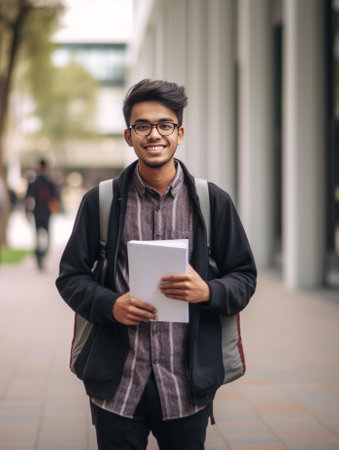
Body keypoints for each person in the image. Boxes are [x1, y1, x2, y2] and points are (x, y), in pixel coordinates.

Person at [56, 79, 257, 450]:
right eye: (142, 126)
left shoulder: (213, 201)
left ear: (180, 134)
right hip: (118, 387)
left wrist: (209, 291)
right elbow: (70, 277)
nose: (154, 135)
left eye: (165, 125)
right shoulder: (100, 201)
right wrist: (110, 305)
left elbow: (244, 277)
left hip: (185, 389)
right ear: (128, 136)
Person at [26, 159, 59, 270]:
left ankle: (39, 254)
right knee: (45, 235)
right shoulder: (49, 182)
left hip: (40, 211)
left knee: (39, 235)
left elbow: (28, 198)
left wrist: (28, 211)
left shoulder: (35, 182)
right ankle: (41, 254)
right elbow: (55, 197)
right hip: (44, 212)